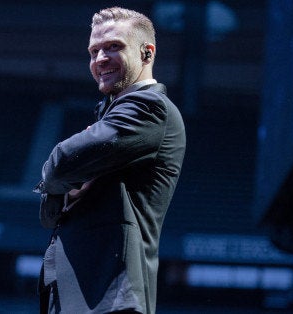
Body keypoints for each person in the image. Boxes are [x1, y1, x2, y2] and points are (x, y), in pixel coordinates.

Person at [33, 7, 186, 314]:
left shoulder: (148, 108)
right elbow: (54, 206)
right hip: (84, 294)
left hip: (107, 296)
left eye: (114, 46)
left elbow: (62, 162)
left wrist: (63, 178)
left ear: (146, 53)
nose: (100, 58)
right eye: (94, 51)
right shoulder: (112, 113)